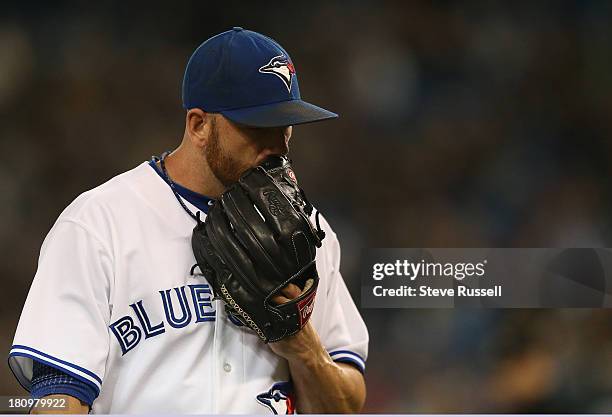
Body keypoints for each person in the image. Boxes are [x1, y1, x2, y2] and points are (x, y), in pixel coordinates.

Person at [9, 27, 368, 414]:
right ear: (198, 125)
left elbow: (345, 404)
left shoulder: (308, 236)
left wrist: (303, 346)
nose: (277, 150)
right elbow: (58, 397)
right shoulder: (99, 223)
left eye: (284, 130)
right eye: (258, 130)